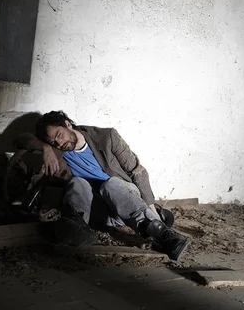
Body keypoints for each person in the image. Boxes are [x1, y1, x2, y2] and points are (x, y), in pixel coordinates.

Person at [15, 110, 189, 261]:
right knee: (77, 182)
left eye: (59, 135)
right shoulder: (57, 150)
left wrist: (151, 208)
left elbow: (138, 171)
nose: (59, 143)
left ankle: (164, 235)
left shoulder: (106, 137)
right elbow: (21, 139)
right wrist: (46, 148)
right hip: (99, 212)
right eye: (53, 142)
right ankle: (76, 228)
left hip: (124, 198)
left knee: (110, 184)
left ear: (68, 124)